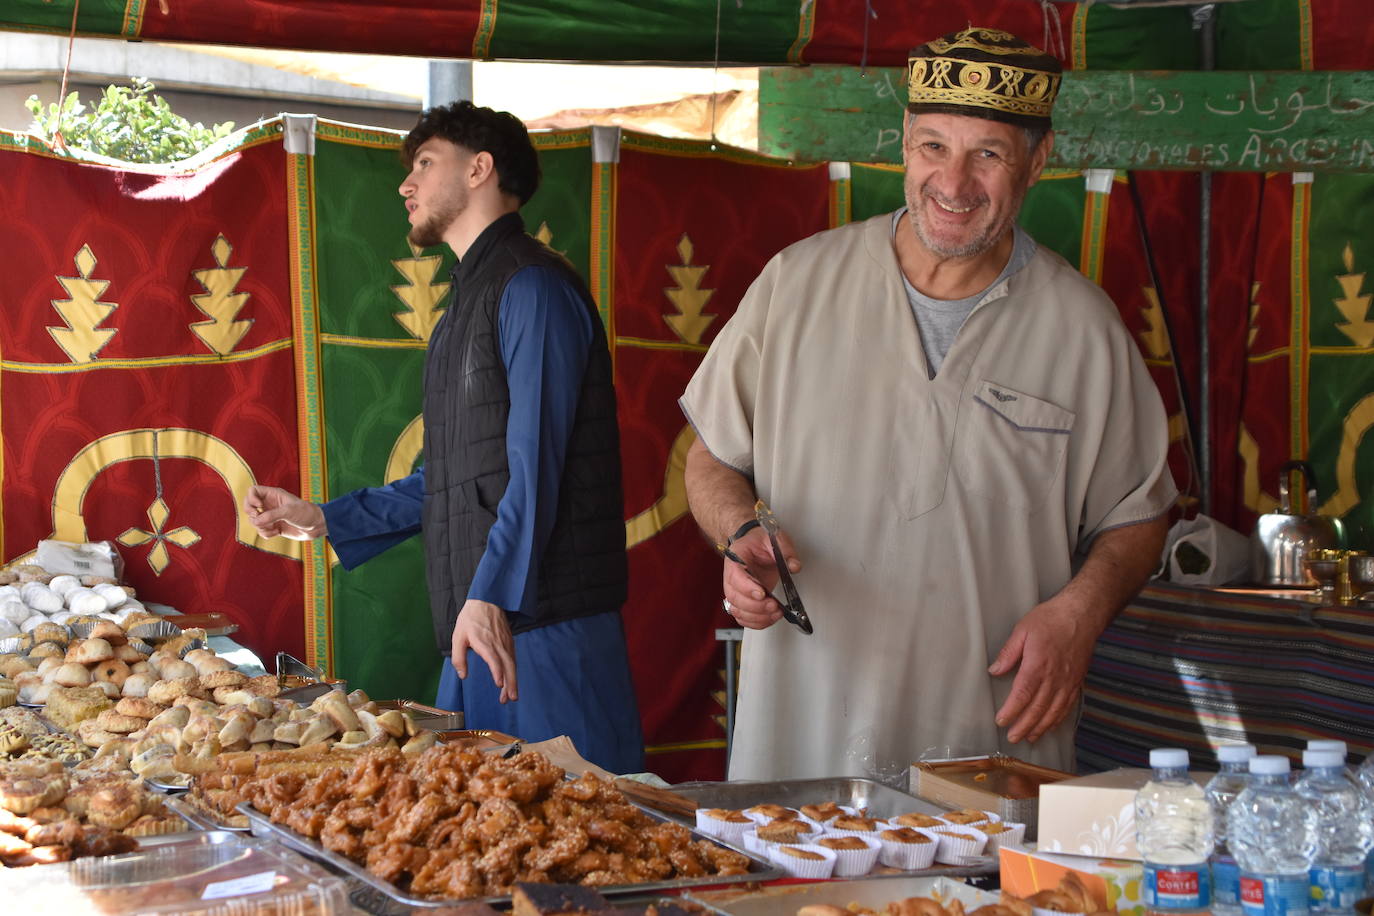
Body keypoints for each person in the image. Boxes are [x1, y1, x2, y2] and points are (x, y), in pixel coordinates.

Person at [680, 27, 1175, 780]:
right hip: (801, 734)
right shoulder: (795, 286)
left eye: (989, 154)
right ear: (904, 141)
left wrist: (1079, 616)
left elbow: (1137, 518)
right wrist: (739, 532)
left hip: (989, 748)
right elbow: (711, 454)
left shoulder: (1083, 329)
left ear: (1038, 161)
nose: (955, 182)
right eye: (935, 146)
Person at [243, 101, 643, 774]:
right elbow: (450, 479)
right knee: (486, 847)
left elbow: (533, 467)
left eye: (425, 164)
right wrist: (323, 518)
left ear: (480, 170)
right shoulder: (466, 305)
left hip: (542, 629)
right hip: (482, 623)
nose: (407, 185)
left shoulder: (534, 287)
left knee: (586, 838)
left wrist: (489, 594)